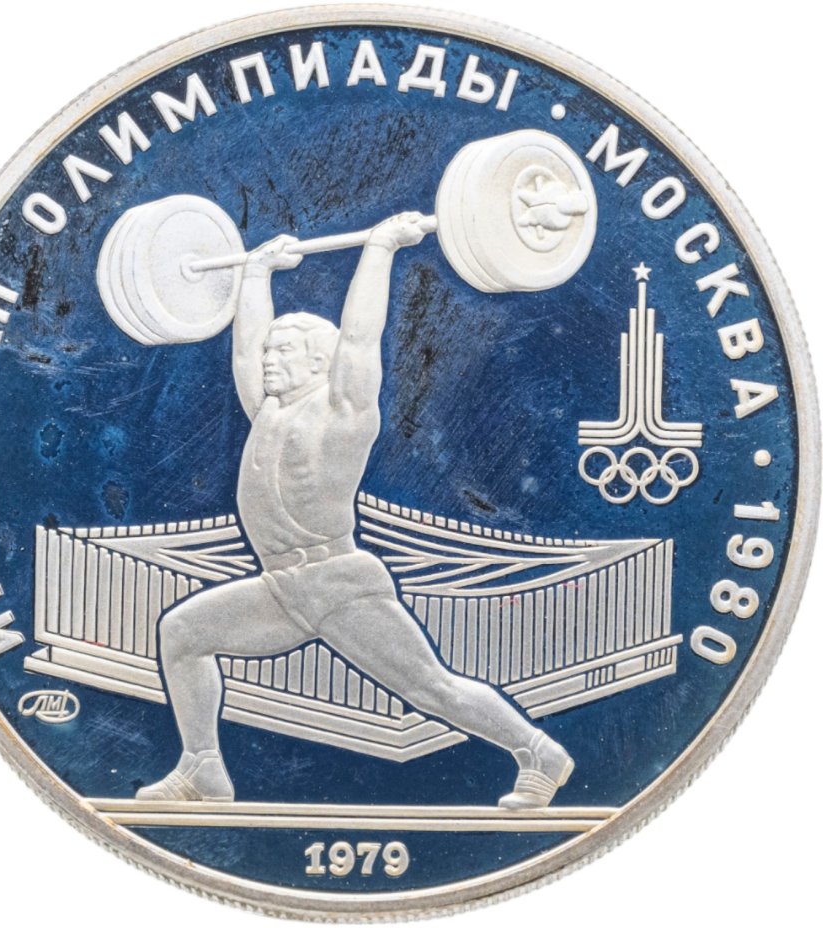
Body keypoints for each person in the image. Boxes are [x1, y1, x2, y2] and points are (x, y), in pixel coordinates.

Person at [137, 212, 573, 808]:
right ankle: (202, 769)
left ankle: (538, 752)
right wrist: (256, 274)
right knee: (183, 632)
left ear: (323, 361)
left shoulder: (342, 413)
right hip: (282, 588)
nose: (269, 359)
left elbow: (362, 337)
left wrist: (380, 247)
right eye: (271, 350)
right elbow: (243, 354)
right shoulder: (269, 411)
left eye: (285, 351)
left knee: (433, 691)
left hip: (338, 584)